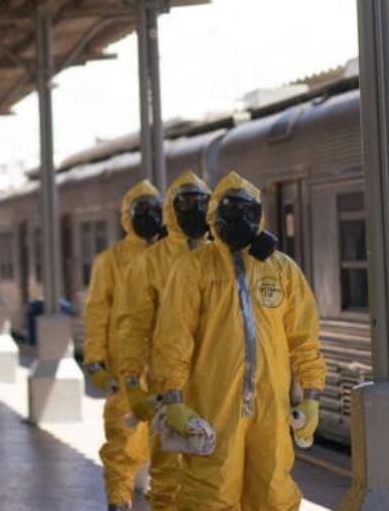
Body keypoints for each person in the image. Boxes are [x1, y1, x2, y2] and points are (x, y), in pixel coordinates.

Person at [152, 172, 326, 511]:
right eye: (229, 210)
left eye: (247, 211)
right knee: (210, 494)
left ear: (259, 215)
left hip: (270, 409)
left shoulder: (281, 270)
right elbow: (174, 337)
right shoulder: (194, 268)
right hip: (212, 406)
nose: (238, 219)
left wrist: (312, 395)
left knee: (274, 493)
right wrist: (173, 398)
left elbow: (304, 338)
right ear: (214, 214)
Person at [113, 170, 212, 511]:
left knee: (218, 474)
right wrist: (131, 379)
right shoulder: (149, 263)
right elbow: (133, 326)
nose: (193, 210)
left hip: (219, 383)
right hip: (171, 385)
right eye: (185, 203)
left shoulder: (221, 256)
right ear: (171, 209)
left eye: (201, 203)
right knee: (169, 475)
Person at [83, 179, 161, 511]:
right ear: (127, 216)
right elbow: (97, 312)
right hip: (125, 366)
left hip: (167, 366)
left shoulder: (171, 256)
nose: (148, 216)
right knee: (122, 440)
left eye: (154, 210)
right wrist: (96, 362)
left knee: (169, 446)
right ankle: (119, 500)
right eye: (140, 210)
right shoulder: (110, 260)